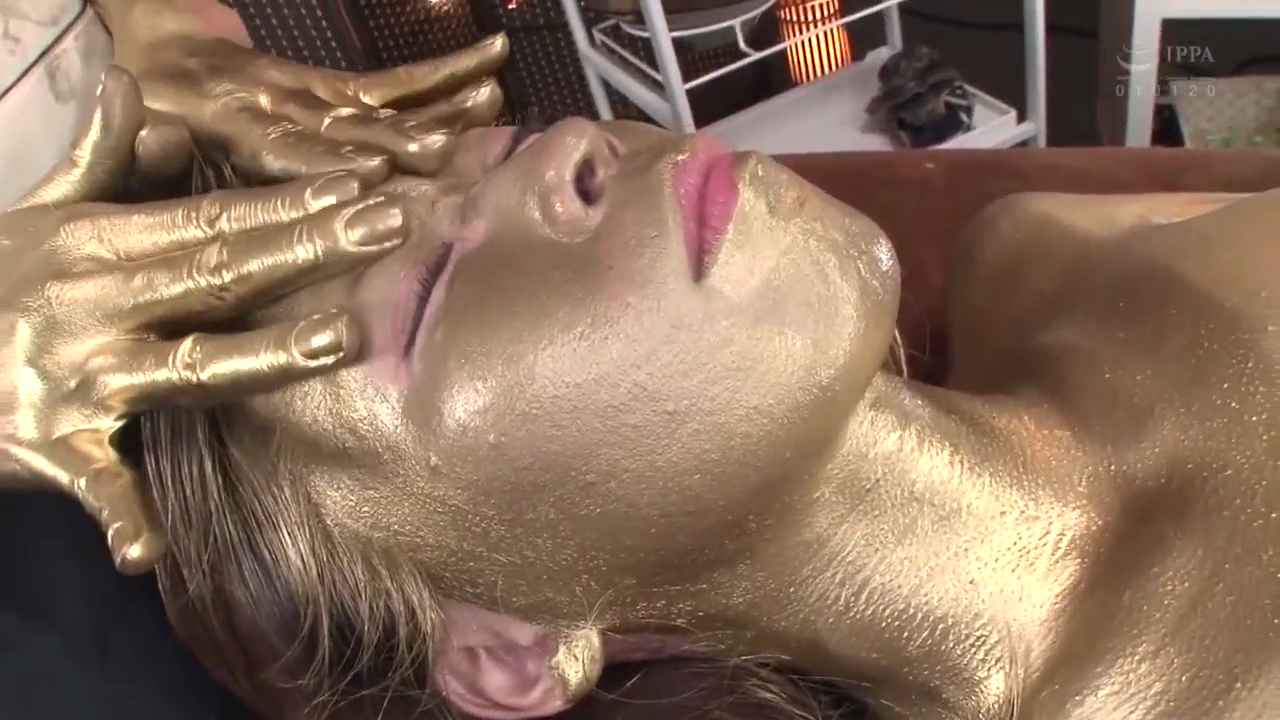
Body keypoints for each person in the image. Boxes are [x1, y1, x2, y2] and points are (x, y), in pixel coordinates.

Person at [6, 69, 1279, 720]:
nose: (570, 148)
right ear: (509, 655)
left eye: (494, 155)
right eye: (437, 288)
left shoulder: (1039, 250)